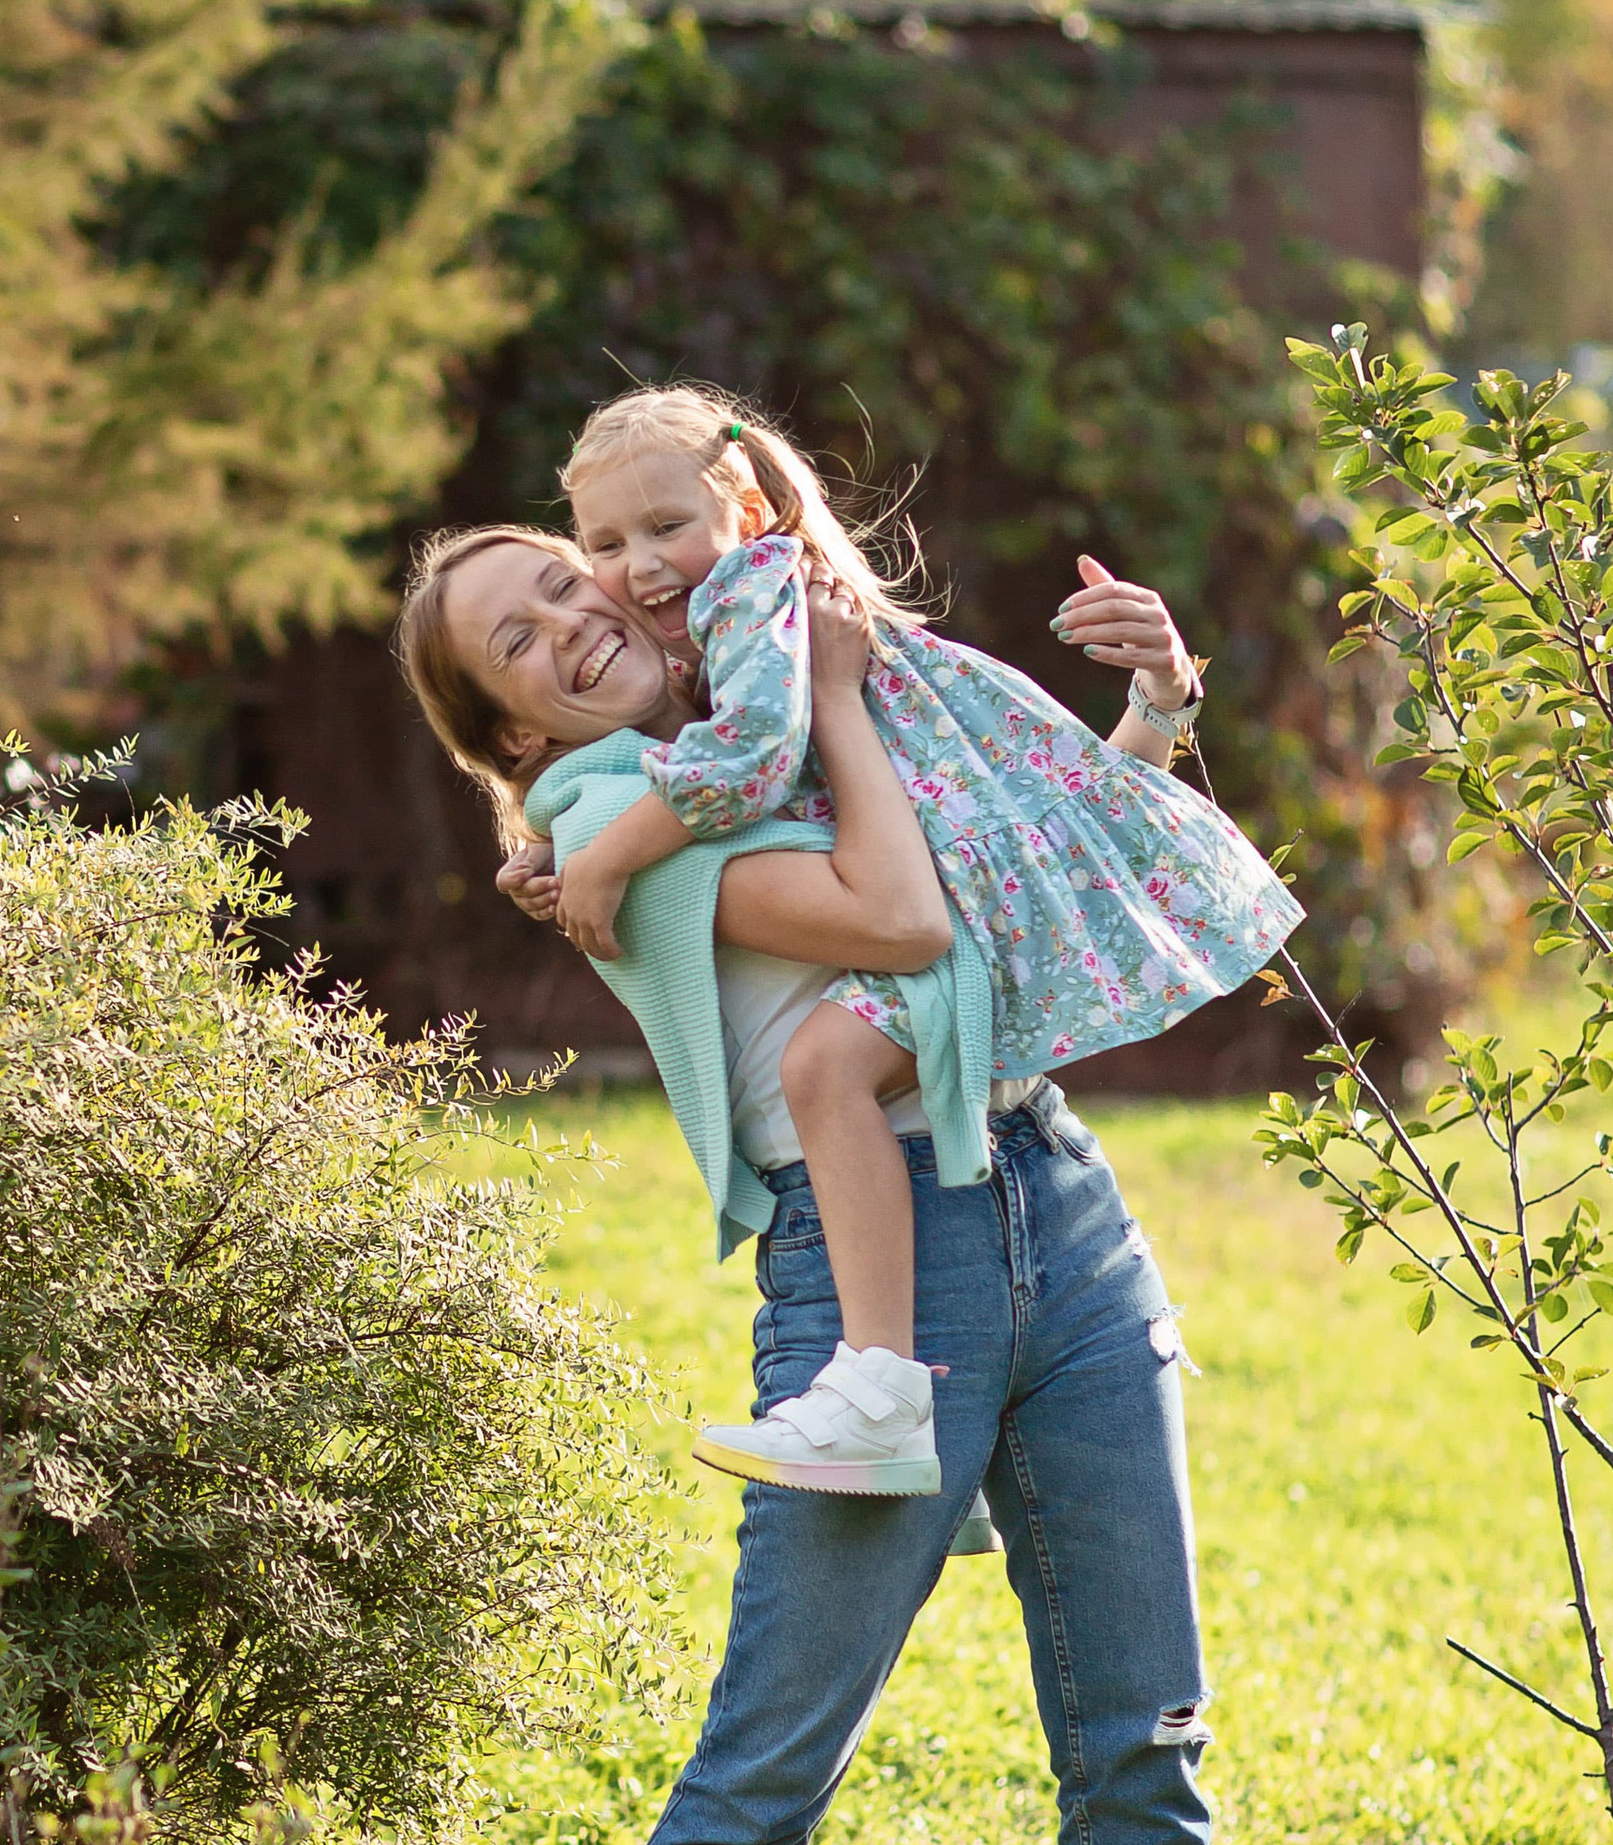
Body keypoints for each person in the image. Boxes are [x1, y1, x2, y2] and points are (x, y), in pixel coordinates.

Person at [393, 523, 1270, 1845]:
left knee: (1141, 1727)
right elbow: (900, 916)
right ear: (508, 740)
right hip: (883, 1273)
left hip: (1064, 1204)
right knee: (769, 1756)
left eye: (567, 580)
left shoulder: (757, 755)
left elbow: (1024, 901)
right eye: (515, 636)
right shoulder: (609, 835)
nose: (571, 617)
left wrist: (1159, 701)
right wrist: (841, 699)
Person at [522, 385, 1297, 1496]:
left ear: (742, 509)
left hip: (953, 927)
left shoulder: (753, 598)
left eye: (664, 527)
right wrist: (550, 841)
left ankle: (879, 1383)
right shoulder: (735, 613)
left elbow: (743, 760)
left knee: (822, 1066)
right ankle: (877, 1383)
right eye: (604, 541)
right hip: (963, 907)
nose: (638, 563)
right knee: (826, 1068)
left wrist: (605, 855)